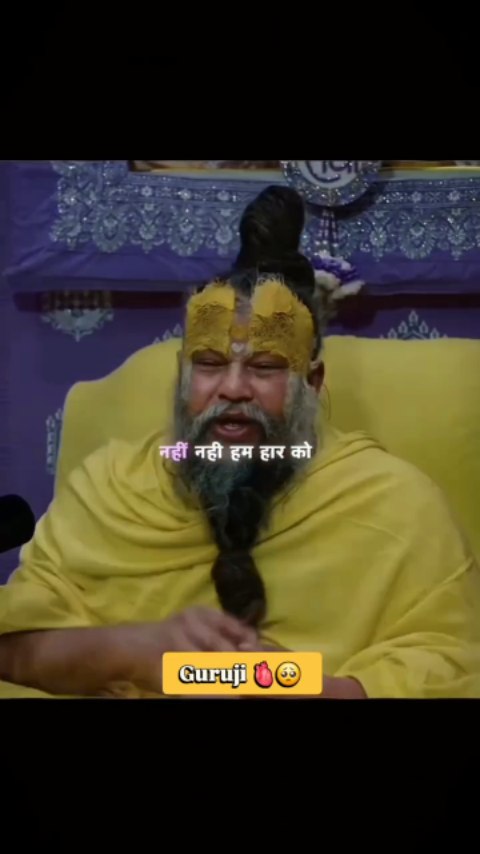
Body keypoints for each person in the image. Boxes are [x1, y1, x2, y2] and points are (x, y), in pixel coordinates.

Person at [0, 186, 479, 699]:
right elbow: (14, 649)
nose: (232, 388)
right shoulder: (109, 487)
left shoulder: (392, 501)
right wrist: (129, 650)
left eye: (265, 367)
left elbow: (452, 661)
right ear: (182, 375)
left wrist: (289, 684)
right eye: (209, 364)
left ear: (312, 383)